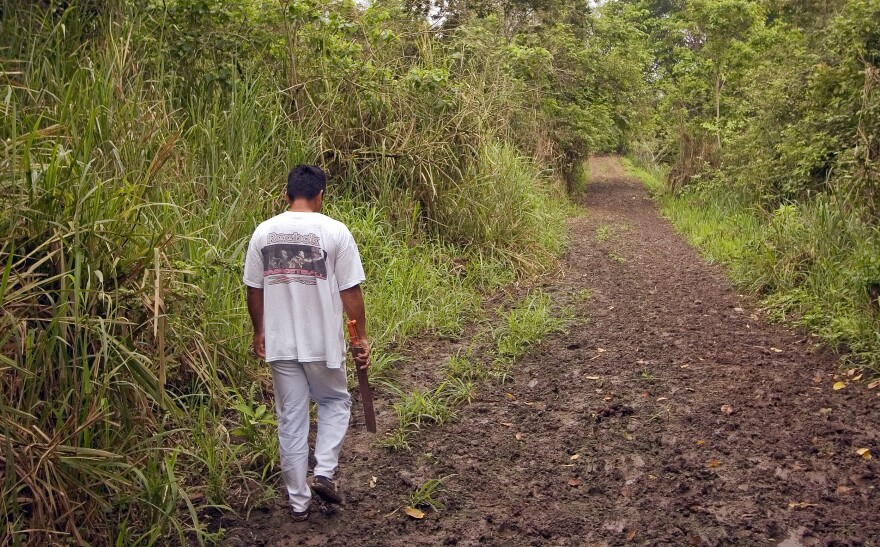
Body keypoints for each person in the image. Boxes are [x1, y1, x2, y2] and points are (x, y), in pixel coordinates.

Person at [243, 164, 370, 521]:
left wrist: (259, 330)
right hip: (323, 344)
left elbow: (254, 288)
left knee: (291, 421)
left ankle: (298, 504)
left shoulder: (263, 232)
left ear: (286, 195)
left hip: (281, 344)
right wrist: (361, 337)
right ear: (320, 196)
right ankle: (325, 472)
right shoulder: (335, 231)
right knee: (334, 401)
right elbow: (351, 291)